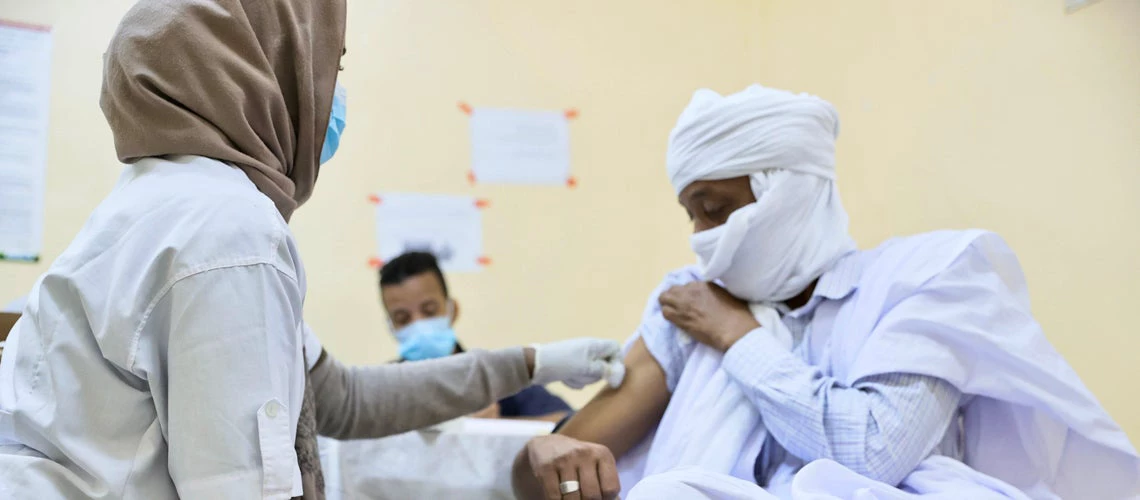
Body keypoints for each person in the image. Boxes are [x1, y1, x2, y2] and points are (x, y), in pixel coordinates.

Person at [0, 1, 624, 499]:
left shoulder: (155, 207)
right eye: (333, 67)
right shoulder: (227, 231)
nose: (332, 94)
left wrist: (534, 362)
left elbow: (344, 399)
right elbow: (241, 489)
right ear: (260, 69)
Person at [510, 85, 1140, 500]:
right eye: (691, 215)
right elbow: (571, 454)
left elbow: (872, 453)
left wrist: (739, 337)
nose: (703, 237)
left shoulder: (922, 281)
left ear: (788, 191)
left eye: (717, 208)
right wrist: (540, 450)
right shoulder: (687, 305)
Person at [380, 252, 574, 423]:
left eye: (429, 311)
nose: (419, 324)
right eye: (403, 318)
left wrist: (497, 426)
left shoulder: (496, 376)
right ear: (391, 327)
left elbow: (569, 421)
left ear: (452, 310)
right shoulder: (383, 389)